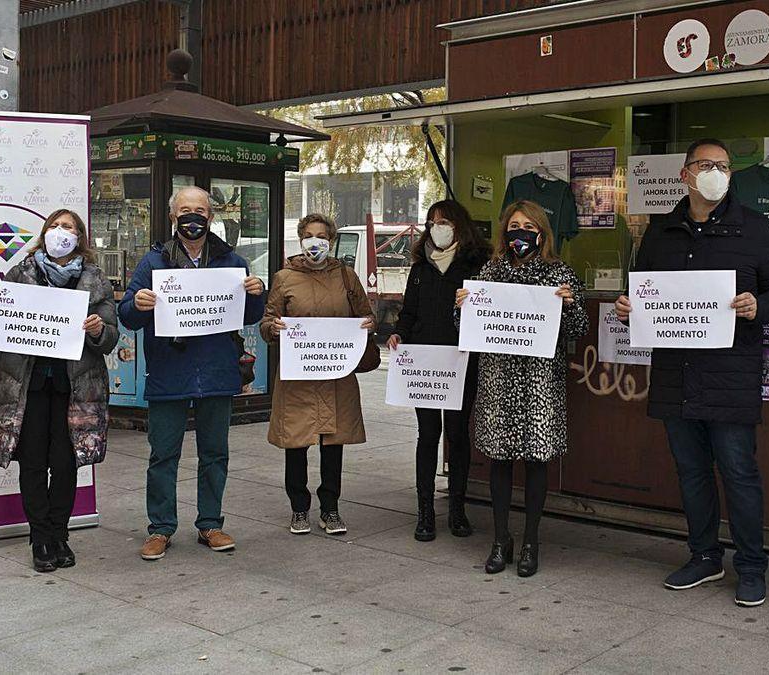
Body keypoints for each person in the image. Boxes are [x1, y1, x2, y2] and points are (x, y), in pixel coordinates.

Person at [614, 138, 769, 607]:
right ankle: (704, 556)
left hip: (731, 371)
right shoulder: (660, 231)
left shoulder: (755, 229)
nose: (716, 172)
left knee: (739, 471)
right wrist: (628, 308)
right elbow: (641, 290)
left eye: (724, 166)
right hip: (677, 373)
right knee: (691, 471)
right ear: (685, 174)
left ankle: (752, 567)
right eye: (706, 165)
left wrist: (759, 306)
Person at [0, 209, 118, 572]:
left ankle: (59, 534)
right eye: (54, 226)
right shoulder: (20, 273)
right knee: (32, 463)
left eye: (68, 227)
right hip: (27, 387)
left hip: (75, 390)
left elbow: (110, 338)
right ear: (44, 233)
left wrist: (97, 330)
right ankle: (40, 537)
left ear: (79, 237)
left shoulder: (96, 281)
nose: (60, 232)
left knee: (65, 465)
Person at [119, 186, 266, 561]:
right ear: (173, 217)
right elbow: (127, 315)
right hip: (169, 372)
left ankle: (210, 524)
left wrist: (256, 294)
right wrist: (137, 303)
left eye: (200, 210)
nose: (193, 217)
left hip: (216, 372)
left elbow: (248, 317)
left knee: (215, 453)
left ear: (211, 216)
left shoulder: (231, 261)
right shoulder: (153, 263)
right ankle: (160, 528)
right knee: (163, 455)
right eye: (185, 210)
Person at [455, 199, 589, 577]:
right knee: (499, 461)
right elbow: (465, 327)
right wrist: (462, 305)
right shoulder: (491, 270)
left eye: (529, 226)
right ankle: (500, 540)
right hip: (498, 380)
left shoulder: (557, 273)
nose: (521, 232)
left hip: (539, 384)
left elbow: (578, 330)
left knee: (535, 462)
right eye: (514, 225)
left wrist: (570, 305)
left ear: (542, 233)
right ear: (504, 231)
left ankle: (530, 541)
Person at [261, 213, 375, 536]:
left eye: (322, 236)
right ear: (300, 239)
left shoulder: (346, 277)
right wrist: (275, 327)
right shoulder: (284, 278)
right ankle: (299, 508)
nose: (316, 242)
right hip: (298, 379)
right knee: (296, 444)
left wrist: (368, 324)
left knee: (332, 444)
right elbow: (267, 324)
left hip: (335, 376)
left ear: (331, 240)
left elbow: (366, 315)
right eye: (309, 235)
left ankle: (330, 508)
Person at [388, 200, 491, 542]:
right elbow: (409, 312)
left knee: (458, 435)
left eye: (443, 221)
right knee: (427, 435)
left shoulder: (477, 264)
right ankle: (426, 512)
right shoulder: (420, 268)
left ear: (459, 225)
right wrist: (399, 333)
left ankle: (458, 510)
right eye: (431, 222)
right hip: (424, 363)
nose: (436, 228)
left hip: (462, 361)